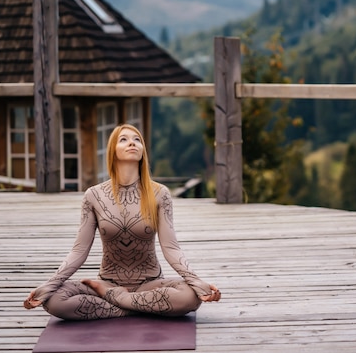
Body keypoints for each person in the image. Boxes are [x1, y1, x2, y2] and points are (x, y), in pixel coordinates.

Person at [23, 123, 221, 320]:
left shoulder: (160, 194)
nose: (132, 143)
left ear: (143, 151)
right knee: (54, 299)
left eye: (137, 140)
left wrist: (195, 281)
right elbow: (79, 250)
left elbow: (171, 247)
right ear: (113, 151)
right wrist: (49, 285)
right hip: (107, 282)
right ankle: (139, 306)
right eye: (124, 139)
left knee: (190, 298)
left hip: (150, 283)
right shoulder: (94, 195)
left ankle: (117, 301)